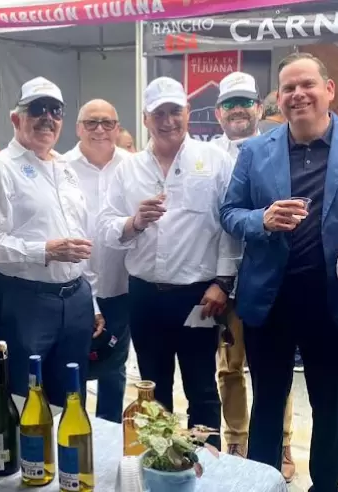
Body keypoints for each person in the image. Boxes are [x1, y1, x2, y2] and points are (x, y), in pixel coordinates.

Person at [219, 52, 338, 488]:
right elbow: (230, 213)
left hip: (332, 300)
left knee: (329, 406)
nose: (298, 94)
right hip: (270, 301)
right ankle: (262, 483)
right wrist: (262, 219)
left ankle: (325, 486)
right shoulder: (255, 151)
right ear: (278, 98)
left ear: (329, 90)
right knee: (268, 403)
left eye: (307, 84)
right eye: (288, 87)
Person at [99, 76, 240, 450]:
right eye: (158, 113)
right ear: (145, 118)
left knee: (202, 386)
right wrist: (134, 222)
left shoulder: (215, 161)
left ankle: (206, 465)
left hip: (199, 296)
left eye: (174, 111)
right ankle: (159, 460)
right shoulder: (127, 169)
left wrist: (223, 283)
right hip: (145, 296)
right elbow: (106, 226)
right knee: (153, 387)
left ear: (188, 112)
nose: (168, 120)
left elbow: (229, 226)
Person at [0, 77, 102, 407]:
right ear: (16, 119)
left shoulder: (65, 168)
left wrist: (92, 302)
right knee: (24, 399)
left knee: (72, 397)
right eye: (37, 109)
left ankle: (67, 444)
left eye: (55, 110)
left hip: (75, 300)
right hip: (25, 302)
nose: (47, 117)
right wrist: (44, 251)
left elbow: (79, 239)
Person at [64, 99, 131, 423]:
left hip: (121, 286)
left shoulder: (132, 166)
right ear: (78, 128)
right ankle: (73, 433)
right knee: (73, 369)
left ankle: (109, 433)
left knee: (114, 370)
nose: (100, 129)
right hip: (75, 289)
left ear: (117, 128)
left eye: (107, 122)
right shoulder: (61, 167)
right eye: (91, 123)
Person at [208, 70, 258, 461]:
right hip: (223, 281)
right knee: (229, 367)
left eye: (244, 102)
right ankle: (237, 439)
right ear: (218, 112)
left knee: (271, 368)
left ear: (258, 107)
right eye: (229, 103)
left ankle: (282, 440)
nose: (237, 109)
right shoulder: (207, 157)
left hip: (265, 278)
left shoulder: (279, 147)